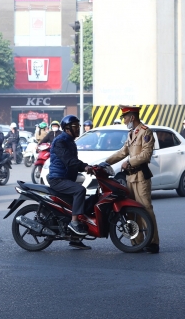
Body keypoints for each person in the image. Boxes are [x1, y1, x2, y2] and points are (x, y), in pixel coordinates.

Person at [105, 105, 160, 254]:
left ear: (132, 117)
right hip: (130, 178)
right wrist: (106, 162)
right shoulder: (131, 134)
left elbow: (145, 155)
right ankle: (137, 241)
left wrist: (129, 162)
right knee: (130, 210)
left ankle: (153, 242)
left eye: (125, 117)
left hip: (141, 177)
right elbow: (123, 152)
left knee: (146, 209)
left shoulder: (145, 132)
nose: (124, 121)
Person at [46, 115, 94, 249]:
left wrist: (90, 167)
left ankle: (75, 239)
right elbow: (69, 161)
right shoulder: (60, 141)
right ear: (67, 129)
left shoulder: (70, 141)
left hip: (66, 178)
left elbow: (73, 162)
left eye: (78, 126)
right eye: (75, 127)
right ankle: (74, 223)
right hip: (58, 179)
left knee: (81, 202)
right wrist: (84, 167)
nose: (78, 129)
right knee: (79, 191)